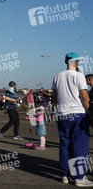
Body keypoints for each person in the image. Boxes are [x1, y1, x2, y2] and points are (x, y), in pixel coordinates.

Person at [52, 52, 93, 186]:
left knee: (65, 145)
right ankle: (79, 177)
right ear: (77, 62)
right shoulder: (79, 75)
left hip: (63, 114)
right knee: (79, 146)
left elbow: (54, 97)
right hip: (77, 114)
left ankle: (65, 174)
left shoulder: (57, 76)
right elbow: (84, 96)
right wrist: (90, 113)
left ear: (65, 62)